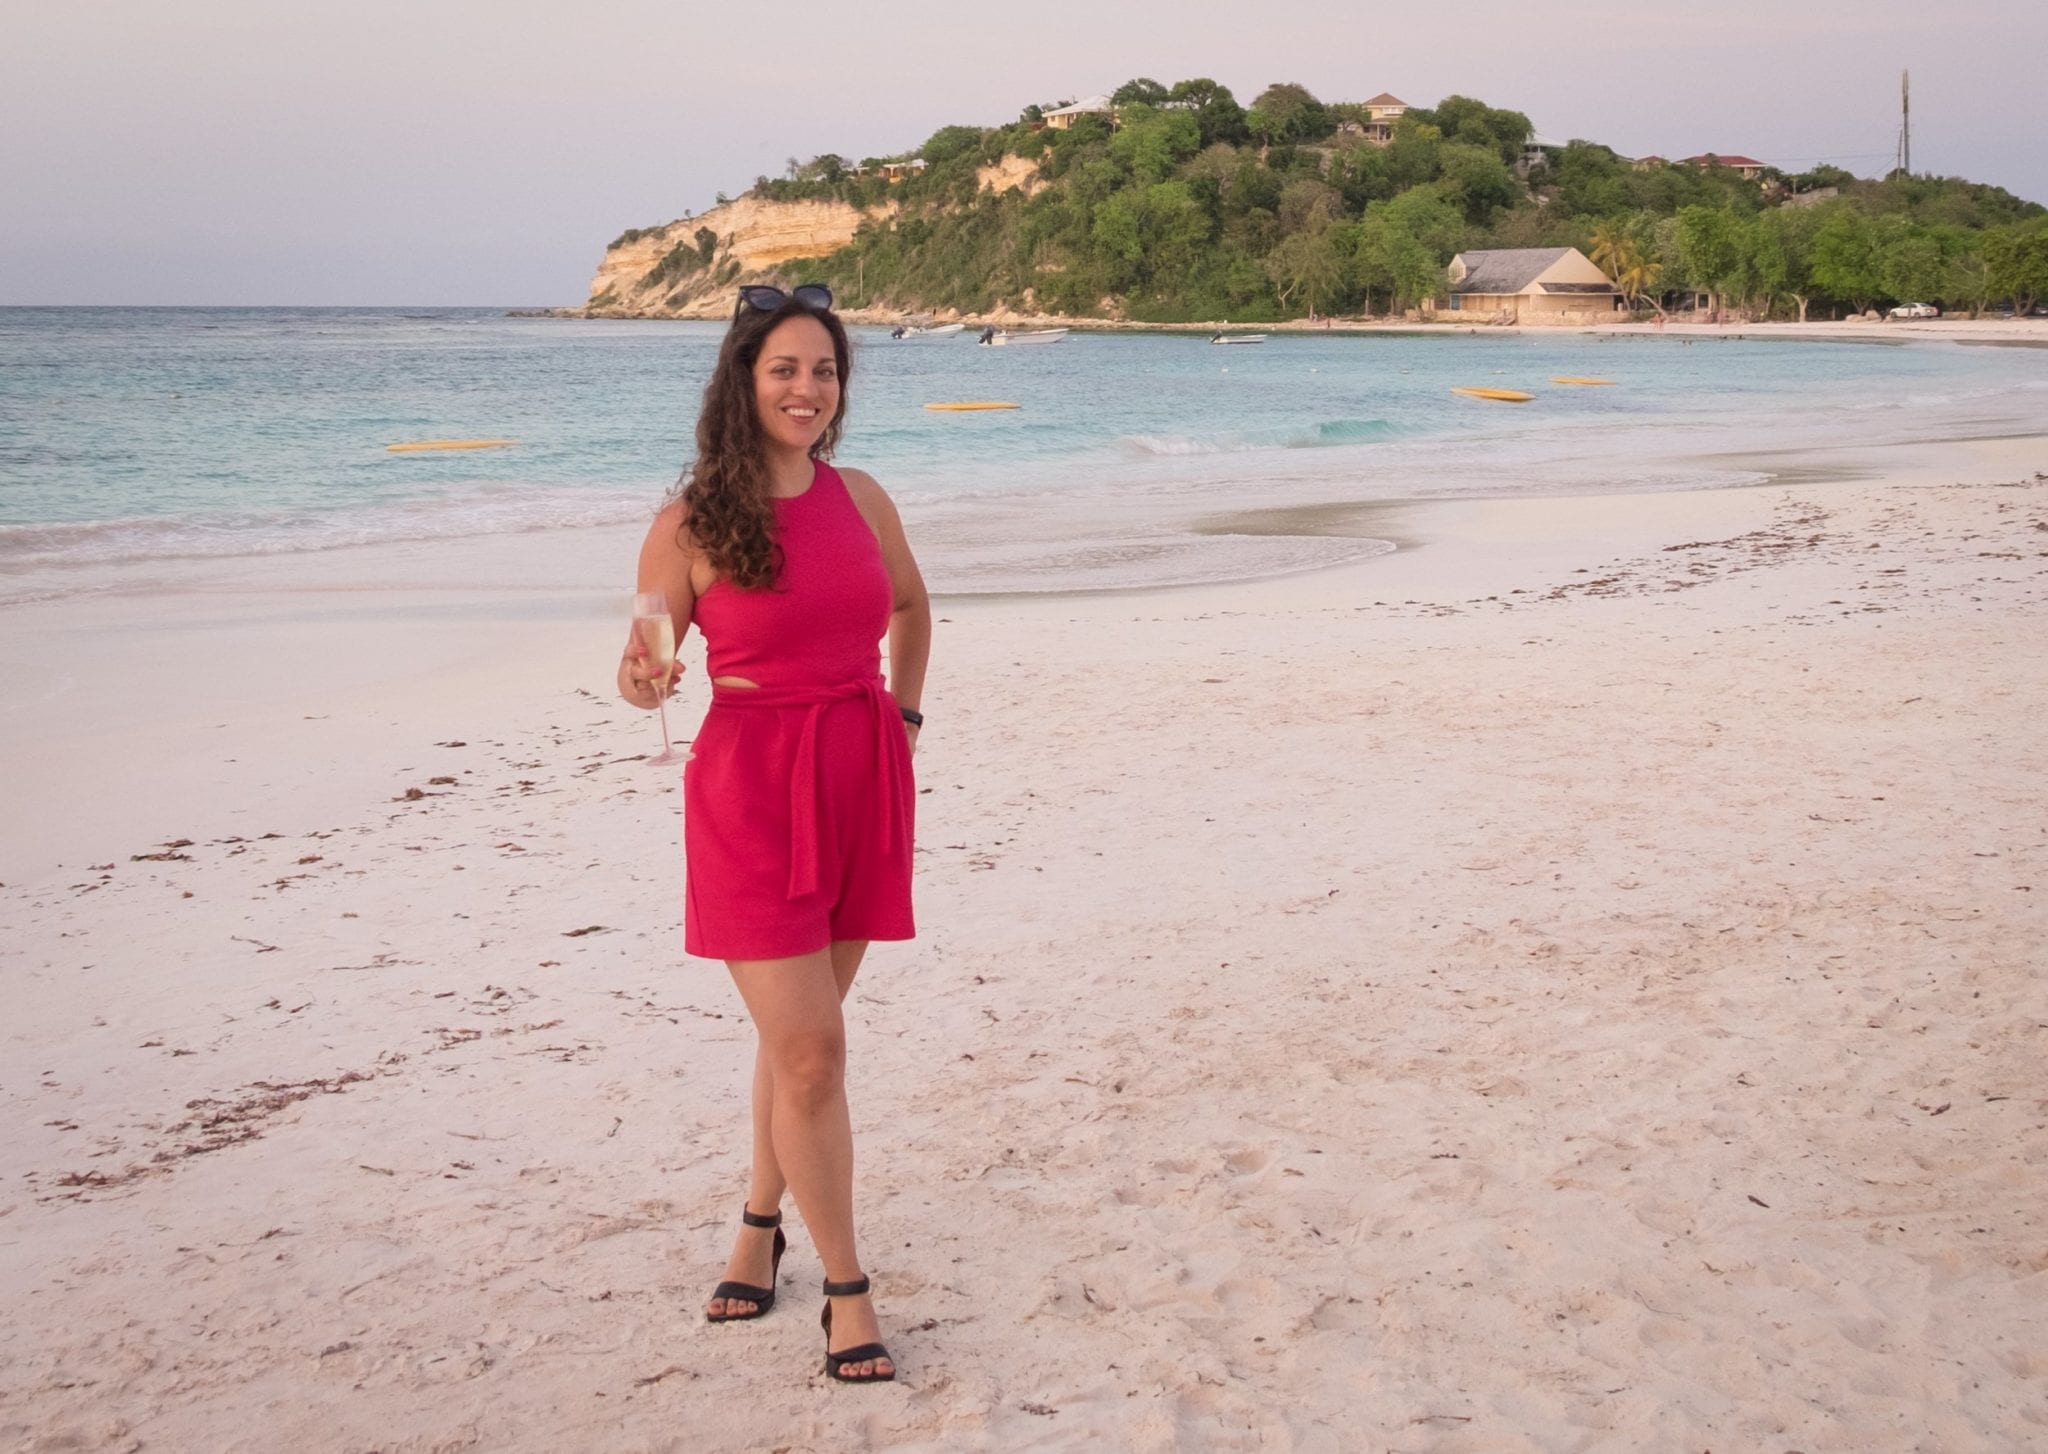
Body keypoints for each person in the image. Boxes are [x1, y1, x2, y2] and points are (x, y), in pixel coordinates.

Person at [619, 282, 930, 1384]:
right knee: (810, 1050)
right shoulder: (691, 522)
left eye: (824, 370)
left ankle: (759, 1217)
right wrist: (642, 677)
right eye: (785, 369)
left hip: (859, 773)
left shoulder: (861, 497)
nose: (807, 389)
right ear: (742, 384)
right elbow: (642, 664)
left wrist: (902, 716)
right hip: (750, 788)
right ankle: (847, 1288)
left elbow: (910, 605)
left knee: (800, 1044)